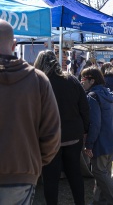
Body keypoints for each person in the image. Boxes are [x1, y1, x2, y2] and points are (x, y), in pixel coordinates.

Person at [0, 19, 61, 204]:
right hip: (22, 176)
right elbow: (52, 134)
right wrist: (33, 163)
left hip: (24, 174)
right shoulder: (38, 79)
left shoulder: (38, 79)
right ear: (14, 45)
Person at [34, 50, 89, 205]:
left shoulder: (38, 82)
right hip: (73, 136)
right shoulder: (71, 80)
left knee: (50, 177)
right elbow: (84, 108)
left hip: (49, 138)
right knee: (74, 173)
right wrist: (84, 130)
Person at [80, 67, 113, 205]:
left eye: (83, 79)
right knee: (104, 174)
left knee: (100, 173)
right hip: (111, 140)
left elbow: (94, 124)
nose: (81, 82)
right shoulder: (108, 94)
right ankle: (98, 201)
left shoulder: (92, 96)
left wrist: (89, 144)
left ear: (91, 80)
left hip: (100, 142)